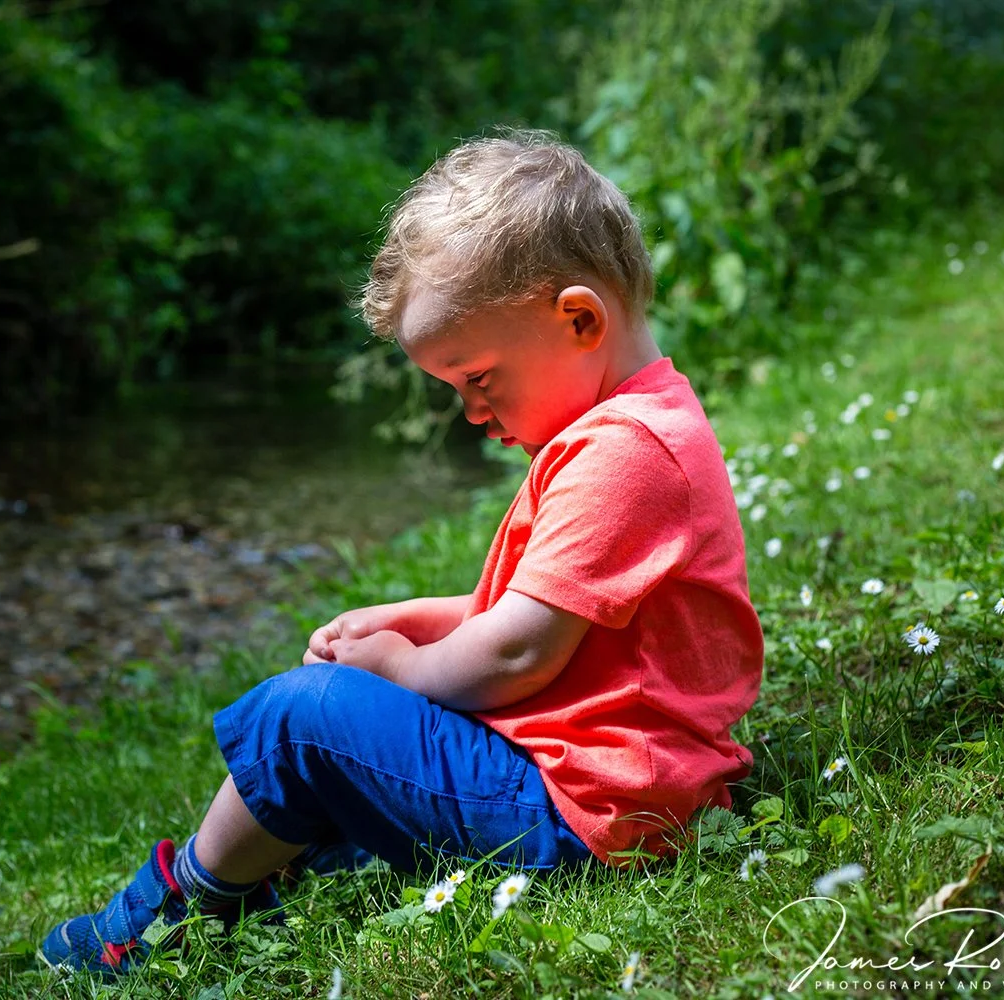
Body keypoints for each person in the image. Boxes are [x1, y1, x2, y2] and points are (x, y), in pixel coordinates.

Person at [39, 127, 764, 976]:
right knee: (335, 774)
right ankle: (272, 869)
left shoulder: (624, 452)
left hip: (588, 816)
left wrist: (393, 667)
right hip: (606, 795)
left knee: (299, 719)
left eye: (478, 378)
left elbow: (521, 649)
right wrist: (404, 621)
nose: (470, 412)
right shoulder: (627, 428)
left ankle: (181, 915)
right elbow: (544, 612)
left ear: (578, 319)